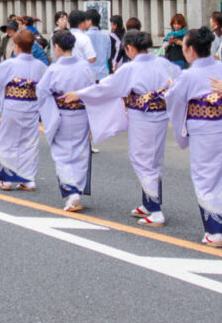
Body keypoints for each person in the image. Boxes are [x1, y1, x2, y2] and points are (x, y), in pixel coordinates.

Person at [65, 30, 180, 227]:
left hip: (143, 115)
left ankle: (155, 211)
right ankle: (148, 203)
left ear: (130, 48)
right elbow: (178, 80)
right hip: (160, 114)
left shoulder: (131, 68)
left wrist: (80, 94)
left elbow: (106, 87)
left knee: (142, 158)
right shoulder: (163, 63)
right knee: (154, 158)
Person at [165, 27, 222, 247]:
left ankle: (213, 232)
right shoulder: (221, 67)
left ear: (191, 50)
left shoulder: (189, 75)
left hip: (202, 129)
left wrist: (170, 89)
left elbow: (174, 100)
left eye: (185, 46)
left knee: (205, 176)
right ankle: (221, 228)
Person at [0, 30, 48, 190]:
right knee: (29, 141)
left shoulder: (10, 64)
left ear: (17, 46)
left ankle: (7, 179)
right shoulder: (40, 66)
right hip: (32, 106)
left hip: (13, 105)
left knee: (8, 140)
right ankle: (28, 179)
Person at [36, 31, 96, 211]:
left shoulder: (54, 69)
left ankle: (72, 191)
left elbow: (41, 91)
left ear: (57, 47)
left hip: (61, 114)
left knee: (62, 153)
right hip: (82, 113)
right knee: (80, 150)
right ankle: (77, 186)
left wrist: (48, 107)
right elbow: (92, 89)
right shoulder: (85, 66)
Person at [84, 9, 111, 78]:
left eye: (85, 20)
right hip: (103, 74)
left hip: (88, 75)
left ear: (89, 21)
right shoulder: (106, 37)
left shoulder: (84, 36)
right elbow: (108, 56)